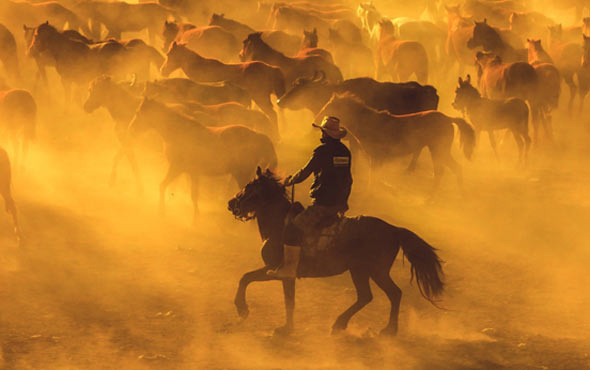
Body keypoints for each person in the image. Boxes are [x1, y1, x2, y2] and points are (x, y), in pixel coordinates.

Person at [267, 116, 353, 279]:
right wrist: (344, 202)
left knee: (293, 229)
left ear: (325, 134)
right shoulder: (345, 152)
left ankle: (290, 268)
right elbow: (348, 180)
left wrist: (288, 181)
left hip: (323, 204)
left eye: (322, 131)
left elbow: (304, 173)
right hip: (338, 204)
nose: (321, 134)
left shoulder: (322, 151)